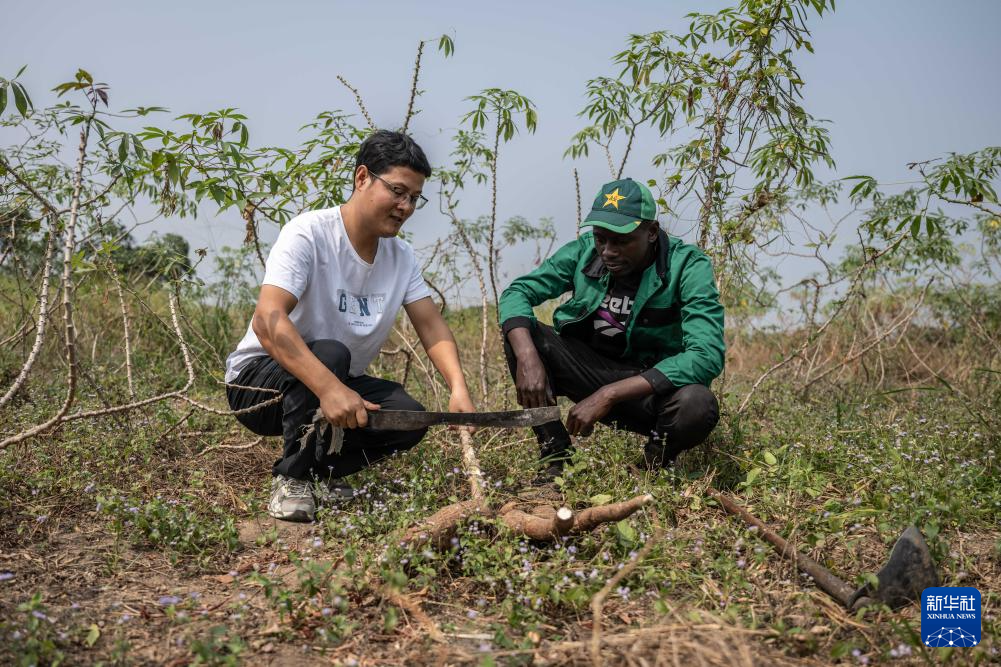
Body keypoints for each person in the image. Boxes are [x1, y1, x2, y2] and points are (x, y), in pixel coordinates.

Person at [225, 130, 475, 522]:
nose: (405, 206)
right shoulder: (309, 233)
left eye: (414, 198)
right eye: (397, 191)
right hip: (258, 385)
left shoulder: (401, 257)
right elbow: (267, 320)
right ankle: (292, 480)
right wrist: (329, 388)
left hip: (334, 379)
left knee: (408, 416)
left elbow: (431, 326)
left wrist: (458, 388)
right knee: (330, 353)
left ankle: (321, 472)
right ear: (362, 178)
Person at [499, 177, 724, 478]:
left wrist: (609, 394)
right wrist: (528, 357)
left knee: (697, 403)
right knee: (522, 335)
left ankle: (650, 470)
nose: (607, 251)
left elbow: (706, 355)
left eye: (621, 241)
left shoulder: (688, 266)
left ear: (651, 232)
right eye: (601, 238)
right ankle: (556, 457)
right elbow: (517, 293)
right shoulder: (584, 252)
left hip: (648, 390)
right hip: (590, 372)